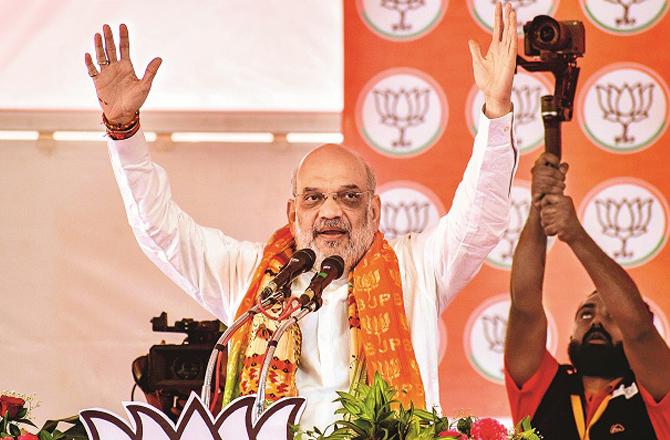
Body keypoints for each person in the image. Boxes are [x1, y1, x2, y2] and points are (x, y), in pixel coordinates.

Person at [85, 3, 520, 431]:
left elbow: (479, 220)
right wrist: (124, 132)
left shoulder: (417, 269)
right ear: (293, 213)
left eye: (349, 197)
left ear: (374, 209)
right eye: (314, 198)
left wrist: (497, 114)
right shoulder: (253, 280)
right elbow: (160, 231)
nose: (331, 211)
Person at [505, 153, 670, 439]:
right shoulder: (543, 388)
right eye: (586, 313)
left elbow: (639, 330)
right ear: (570, 334)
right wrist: (539, 205)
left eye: (612, 315)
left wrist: (574, 234)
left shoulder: (656, 391)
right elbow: (525, 307)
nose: (596, 322)